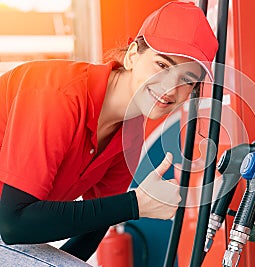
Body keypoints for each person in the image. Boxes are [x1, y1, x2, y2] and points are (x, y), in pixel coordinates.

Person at [0, 1, 218, 262]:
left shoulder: (131, 132)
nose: (171, 88)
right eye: (162, 66)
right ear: (132, 54)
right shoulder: (59, 96)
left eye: (186, 79)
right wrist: (135, 204)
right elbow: (13, 224)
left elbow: (94, 229)